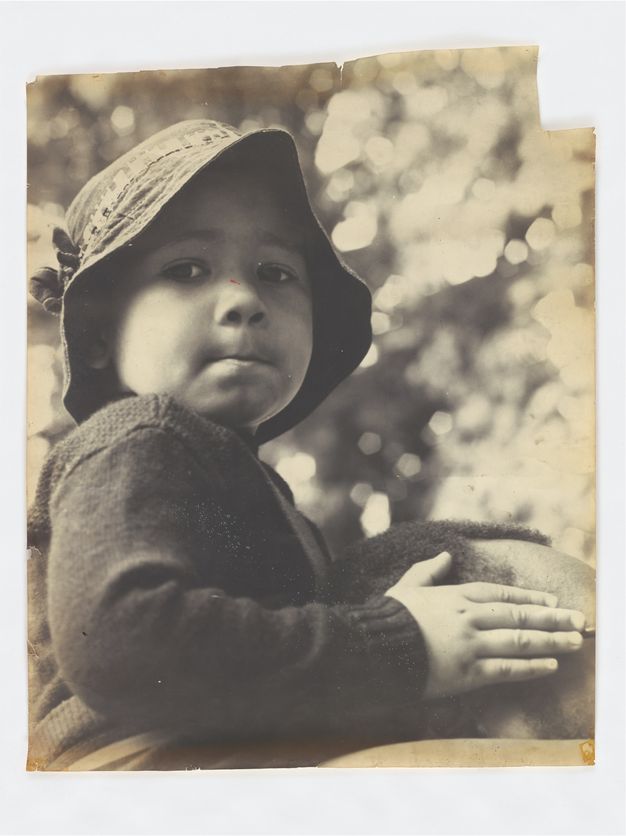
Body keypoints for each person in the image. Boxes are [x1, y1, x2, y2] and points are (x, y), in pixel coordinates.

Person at [27, 119, 587, 771]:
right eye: (187, 269)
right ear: (98, 334)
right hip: (138, 771)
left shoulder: (246, 485)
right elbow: (122, 643)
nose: (243, 302)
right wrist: (405, 643)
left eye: (275, 272)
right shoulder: (134, 437)